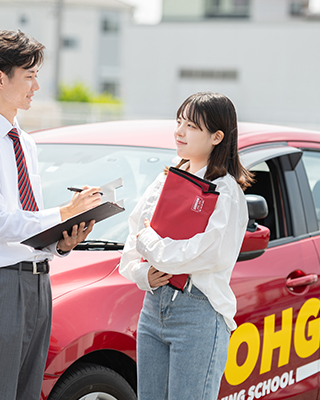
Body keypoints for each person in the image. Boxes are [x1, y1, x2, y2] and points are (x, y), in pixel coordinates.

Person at [0, 30, 101, 400]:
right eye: (29, 76)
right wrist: (63, 211)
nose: (36, 86)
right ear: (0, 79)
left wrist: (62, 240)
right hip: (0, 287)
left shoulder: (24, 141)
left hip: (38, 283)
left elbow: (27, 218)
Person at [119, 92, 253, 399]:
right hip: (153, 308)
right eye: (179, 122)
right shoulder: (169, 176)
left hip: (198, 312)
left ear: (217, 136)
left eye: (191, 126)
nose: (179, 131)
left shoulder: (226, 191)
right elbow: (134, 229)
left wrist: (150, 244)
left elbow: (206, 254)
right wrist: (142, 275)